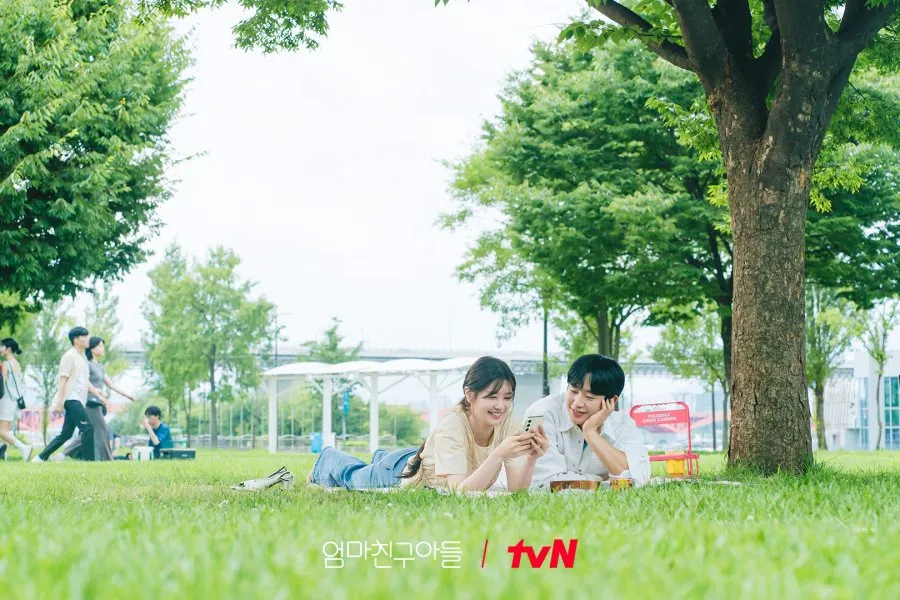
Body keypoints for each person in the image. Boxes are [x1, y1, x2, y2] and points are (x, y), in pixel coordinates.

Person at [307, 356, 548, 492]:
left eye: (507, 397)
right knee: (352, 477)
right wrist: (498, 454)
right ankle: (328, 457)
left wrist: (531, 458)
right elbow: (460, 493)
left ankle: (381, 457)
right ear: (470, 395)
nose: (501, 405)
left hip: (424, 456)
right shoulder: (453, 424)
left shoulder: (506, 423)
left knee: (380, 464)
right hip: (401, 474)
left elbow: (517, 491)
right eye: (492, 397)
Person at [523, 354, 651, 488]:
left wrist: (591, 433)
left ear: (611, 401)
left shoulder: (622, 424)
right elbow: (546, 483)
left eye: (589, 397)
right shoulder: (541, 413)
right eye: (573, 391)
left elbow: (639, 479)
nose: (577, 403)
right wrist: (604, 482)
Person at [63, 337, 137, 461]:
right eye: (100, 346)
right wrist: (98, 393)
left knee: (90, 432)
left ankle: (66, 454)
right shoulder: (87, 365)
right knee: (102, 431)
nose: (103, 349)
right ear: (92, 348)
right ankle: (107, 460)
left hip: (97, 404)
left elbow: (111, 385)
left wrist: (128, 395)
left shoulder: (100, 367)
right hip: (89, 404)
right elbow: (83, 382)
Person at [35, 327, 103, 462]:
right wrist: (60, 402)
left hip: (78, 399)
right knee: (87, 428)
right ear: (76, 340)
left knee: (66, 434)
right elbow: (63, 379)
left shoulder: (82, 358)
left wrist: (98, 394)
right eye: (85, 337)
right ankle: (89, 461)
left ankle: (40, 457)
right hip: (71, 398)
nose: (88, 339)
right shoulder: (69, 356)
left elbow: (84, 382)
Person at [0, 338, 33, 461]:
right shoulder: (16, 364)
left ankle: (24, 448)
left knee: (1, 431)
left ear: (8, 349)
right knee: (5, 430)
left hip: (6, 400)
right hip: (14, 400)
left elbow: (2, 383)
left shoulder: (6, 364)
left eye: (2, 346)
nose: (0, 348)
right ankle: (3, 455)